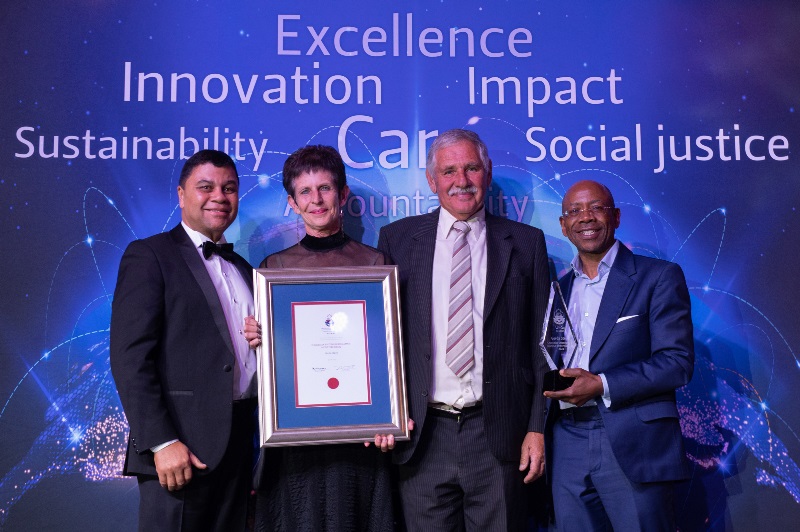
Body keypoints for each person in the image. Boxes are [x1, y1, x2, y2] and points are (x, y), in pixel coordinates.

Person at [376, 129, 550, 530]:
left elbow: (542, 348)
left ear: (487, 173)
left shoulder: (527, 243)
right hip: (423, 436)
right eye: (449, 171)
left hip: (499, 436)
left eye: (471, 168)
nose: (462, 180)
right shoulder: (397, 240)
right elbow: (380, 339)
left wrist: (536, 428)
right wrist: (381, 415)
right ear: (431, 180)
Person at [249, 145, 396, 532]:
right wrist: (259, 337)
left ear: (342, 194)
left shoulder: (375, 264)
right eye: (305, 191)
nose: (316, 199)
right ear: (292, 203)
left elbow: (386, 354)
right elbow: (272, 362)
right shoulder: (274, 269)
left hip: (360, 434)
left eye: (325, 188)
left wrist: (390, 415)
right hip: (297, 437)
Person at [110, 150, 256, 531]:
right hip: (180, 450)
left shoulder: (244, 269)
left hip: (240, 448)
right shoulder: (149, 255)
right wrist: (161, 442)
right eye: (205, 187)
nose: (219, 197)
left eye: (229, 188)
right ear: (181, 194)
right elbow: (129, 358)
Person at [544, 180, 694, 530]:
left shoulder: (657, 276)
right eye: (574, 211)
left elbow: (677, 362)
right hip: (566, 439)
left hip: (631, 437)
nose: (586, 217)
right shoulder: (556, 290)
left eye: (596, 207)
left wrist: (601, 384)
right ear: (563, 225)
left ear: (616, 216)